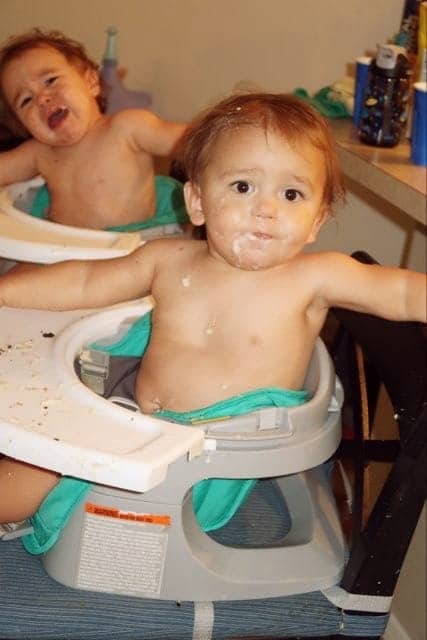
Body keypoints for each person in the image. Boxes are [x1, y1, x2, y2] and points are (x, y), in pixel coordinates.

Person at [0, 92, 425, 551]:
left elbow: (401, 293)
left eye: (291, 193)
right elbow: (84, 282)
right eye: (243, 187)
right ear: (197, 202)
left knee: (33, 470)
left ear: (316, 220)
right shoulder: (168, 259)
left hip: (195, 467)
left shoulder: (315, 277)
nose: (267, 209)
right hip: (134, 420)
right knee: (34, 432)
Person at [0, 29, 188, 230]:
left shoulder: (127, 128)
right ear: (23, 125)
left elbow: (192, 141)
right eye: (26, 100)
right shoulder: (38, 152)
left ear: (91, 83)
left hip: (126, 251)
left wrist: (220, 138)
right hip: (61, 248)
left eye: (50, 80)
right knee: (22, 262)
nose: (41, 99)